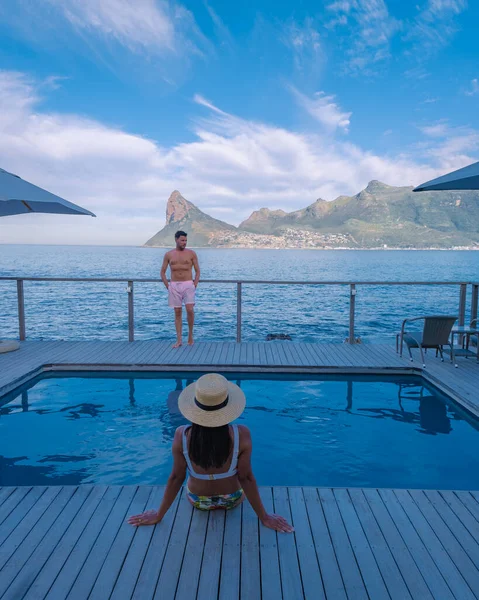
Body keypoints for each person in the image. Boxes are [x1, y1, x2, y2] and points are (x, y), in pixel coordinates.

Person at [128, 373, 294, 533]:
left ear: (195, 407)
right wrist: (264, 517)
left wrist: (159, 514)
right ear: (228, 407)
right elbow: (246, 478)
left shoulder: (182, 434)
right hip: (232, 499)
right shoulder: (241, 434)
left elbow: (176, 478)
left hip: (199, 501)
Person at [160, 231, 200, 348]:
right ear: (176, 240)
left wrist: (194, 284)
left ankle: (190, 336)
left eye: (186, 240)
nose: (184, 243)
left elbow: (197, 271)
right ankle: (179, 340)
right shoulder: (169, 255)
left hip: (188, 284)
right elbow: (162, 272)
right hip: (174, 285)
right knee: (177, 312)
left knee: (189, 309)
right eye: (182, 240)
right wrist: (168, 286)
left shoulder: (191, 253)